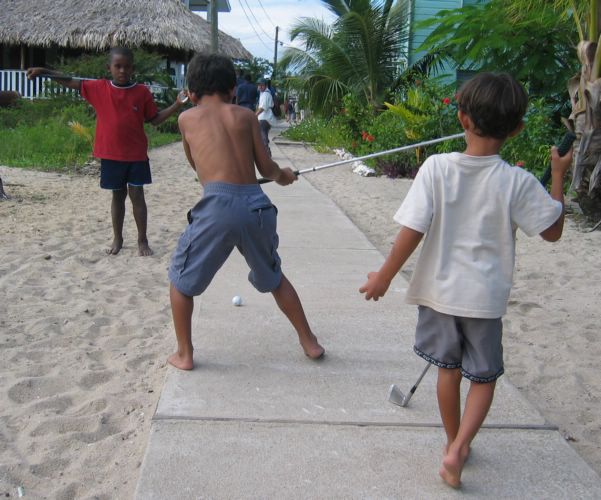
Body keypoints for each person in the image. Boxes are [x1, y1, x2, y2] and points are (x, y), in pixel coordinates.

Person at [359, 72, 573, 488]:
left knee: (447, 371)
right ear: (517, 129)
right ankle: (461, 447)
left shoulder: (436, 168)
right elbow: (553, 230)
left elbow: (412, 230)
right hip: (484, 301)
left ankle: (451, 443)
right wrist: (558, 175)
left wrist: (384, 276)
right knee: (483, 376)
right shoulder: (517, 181)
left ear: (462, 119)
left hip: (439, 295)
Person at [167, 53, 324, 371]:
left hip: (217, 207)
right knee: (276, 278)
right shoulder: (247, 117)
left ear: (192, 93)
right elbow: (266, 168)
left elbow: (197, 165)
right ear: (233, 90)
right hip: (257, 205)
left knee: (180, 282)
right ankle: (310, 342)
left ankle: (185, 354)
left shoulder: (186, 119)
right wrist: (284, 175)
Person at [27, 47, 185, 256]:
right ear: (108, 68)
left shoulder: (142, 92)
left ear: (133, 69)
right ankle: (117, 238)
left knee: (137, 196)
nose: (122, 71)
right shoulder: (98, 88)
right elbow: (69, 80)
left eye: (127, 67)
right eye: (117, 66)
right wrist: (43, 70)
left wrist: (176, 104)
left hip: (136, 155)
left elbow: (154, 120)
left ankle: (142, 240)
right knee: (117, 196)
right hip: (111, 155)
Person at [256, 78, 275, 157]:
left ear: (265, 86)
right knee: (264, 135)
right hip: (266, 117)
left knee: (263, 135)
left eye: (262, 85)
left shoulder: (266, 94)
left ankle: (267, 152)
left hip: (264, 118)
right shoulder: (264, 93)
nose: (260, 87)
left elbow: (263, 107)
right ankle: (267, 151)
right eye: (259, 85)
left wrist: (255, 115)